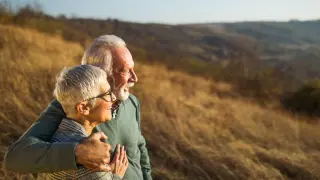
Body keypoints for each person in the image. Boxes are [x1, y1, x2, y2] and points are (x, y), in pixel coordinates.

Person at [4, 35, 152, 180]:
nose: (134, 78)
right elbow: (15, 158)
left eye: (133, 69)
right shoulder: (69, 105)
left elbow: (140, 148)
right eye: (125, 70)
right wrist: (77, 152)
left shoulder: (132, 102)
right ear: (100, 72)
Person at [39, 64, 127, 179]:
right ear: (84, 108)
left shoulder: (50, 139)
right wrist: (116, 176)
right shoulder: (92, 160)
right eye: (107, 94)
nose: (114, 98)